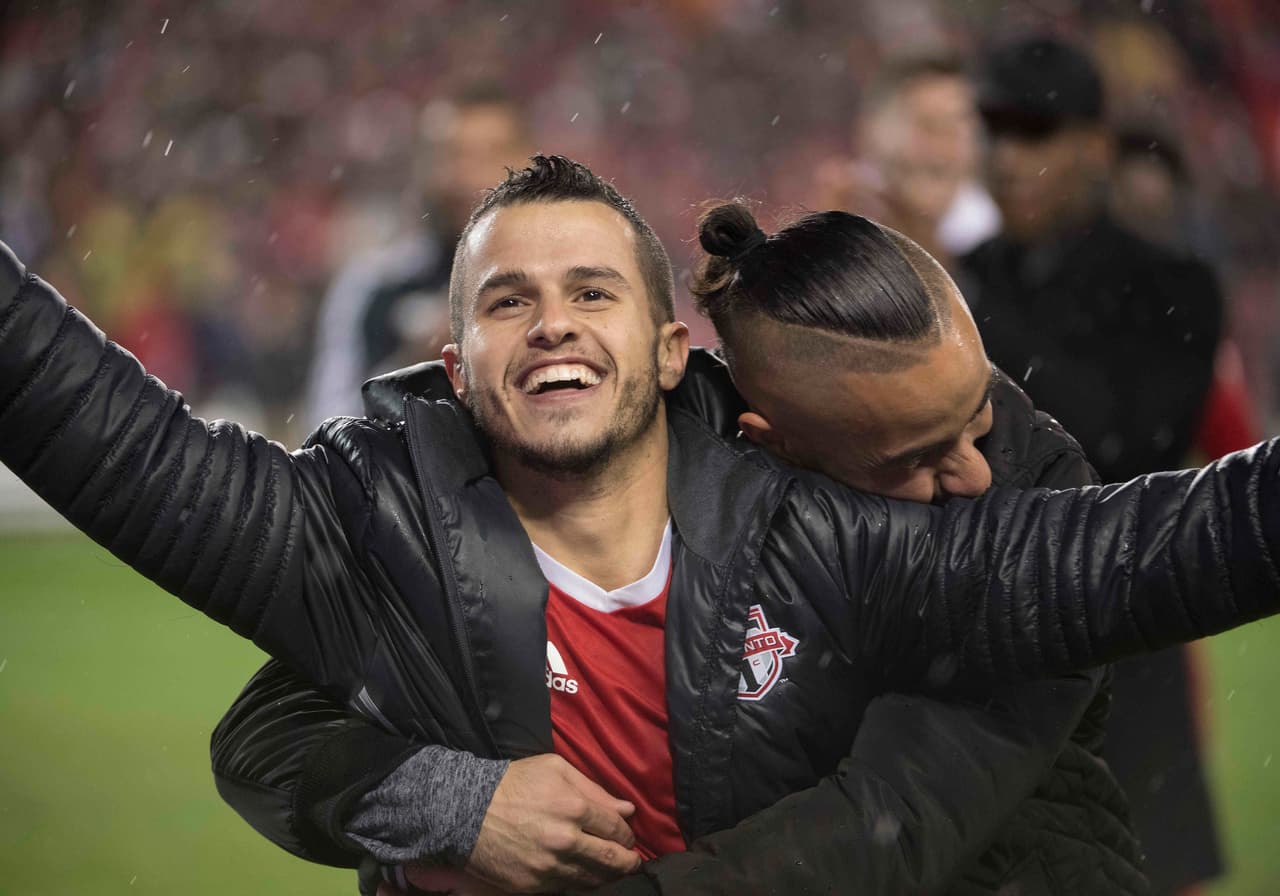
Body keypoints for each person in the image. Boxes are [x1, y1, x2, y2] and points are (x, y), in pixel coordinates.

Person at [2, 156, 1279, 895]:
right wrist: (441, 799)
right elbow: (113, 440)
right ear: (455, 365)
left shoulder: (833, 534)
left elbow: (1156, 548)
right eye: (509, 299)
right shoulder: (371, 530)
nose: (551, 319)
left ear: (671, 351)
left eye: (591, 289)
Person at [215, 204, 1144, 896]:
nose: (973, 476)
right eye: (911, 458)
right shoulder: (650, 464)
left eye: (975, 417)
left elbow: (895, 817)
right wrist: (460, 807)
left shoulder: (1032, 493)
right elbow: (270, 733)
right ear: (776, 448)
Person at [963, 36, 1227, 893]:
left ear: (1094, 146)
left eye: (1031, 133)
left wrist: (960, 307)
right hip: (980, 677)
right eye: (992, 131)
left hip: (1125, 671)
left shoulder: (1175, 285)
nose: (1004, 159)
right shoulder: (957, 276)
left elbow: (1118, 446)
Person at [306, 82, 533, 427]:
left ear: (528, 161)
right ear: (425, 166)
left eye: (492, 154)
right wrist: (414, 364)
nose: (469, 176)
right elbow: (327, 431)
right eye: (452, 154)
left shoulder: (567, 282)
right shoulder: (375, 288)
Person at [816, 53, 999, 270]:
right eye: (927, 126)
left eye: (954, 129)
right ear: (873, 134)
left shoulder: (1003, 241)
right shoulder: (837, 222)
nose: (940, 153)